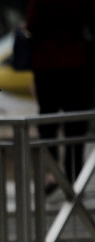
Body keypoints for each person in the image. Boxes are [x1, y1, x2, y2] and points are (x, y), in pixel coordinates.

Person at [24, 0, 95, 193]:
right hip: (77, 66)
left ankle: (53, 172)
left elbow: (32, 24)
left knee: (48, 123)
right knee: (76, 126)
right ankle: (74, 176)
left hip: (48, 67)